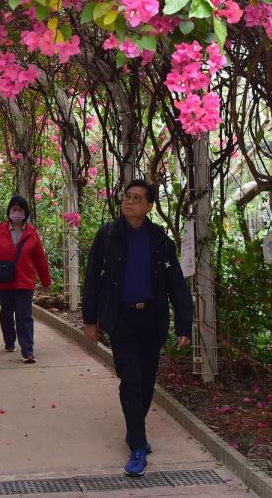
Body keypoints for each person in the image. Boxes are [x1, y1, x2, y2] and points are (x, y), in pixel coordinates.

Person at [82, 178, 193, 478]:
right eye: (126, 196)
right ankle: (138, 446)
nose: (129, 202)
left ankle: (135, 432)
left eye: (137, 198)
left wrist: (184, 324)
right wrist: (90, 320)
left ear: (149, 206)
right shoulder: (108, 236)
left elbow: (176, 285)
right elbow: (93, 280)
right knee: (130, 380)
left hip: (151, 319)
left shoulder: (159, 240)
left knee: (146, 382)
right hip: (121, 320)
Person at [0, 195, 51, 363]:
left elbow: (40, 260)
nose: (17, 213)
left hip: (25, 282)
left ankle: (27, 350)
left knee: (24, 315)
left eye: (20, 210)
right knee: (6, 313)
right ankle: (9, 340)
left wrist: (46, 281)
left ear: (26, 213)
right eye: (14, 209)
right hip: (5, 281)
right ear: (9, 211)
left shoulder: (32, 234)